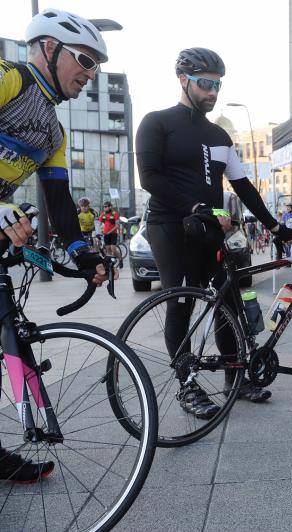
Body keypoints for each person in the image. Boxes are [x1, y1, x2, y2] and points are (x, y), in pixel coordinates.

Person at [136, 47, 292, 418]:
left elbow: (244, 187)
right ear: (183, 80)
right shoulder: (156, 122)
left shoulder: (220, 135)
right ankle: (188, 387)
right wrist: (193, 207)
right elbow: (150, 178)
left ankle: (233, 379)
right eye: (206, 84)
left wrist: (273, 225)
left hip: (208, 228)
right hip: (169, 225)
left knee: (227, 303)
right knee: (180, 303)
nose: (212, 92)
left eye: (217, 85)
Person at [0, 8, 114, 482]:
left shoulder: (55, 131)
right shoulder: (10, 79)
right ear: (49, 48)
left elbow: (60, 201)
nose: (90, 74)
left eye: (96, 67)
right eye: (85, 60)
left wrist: (83, 252)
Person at [99, 200, 122, 266]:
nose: (105, 208)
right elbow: (100, 223)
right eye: (104, 207)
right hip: (106, 234)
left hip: (113, 234)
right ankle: (112, 262)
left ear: (110, 207)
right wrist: (101, 231)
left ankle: (120, 259)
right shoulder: (103, 214)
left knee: (113, 249)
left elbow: (117, 226)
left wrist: (109, 232)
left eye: (106, 207)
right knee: (108, 250)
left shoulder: (115, 214)